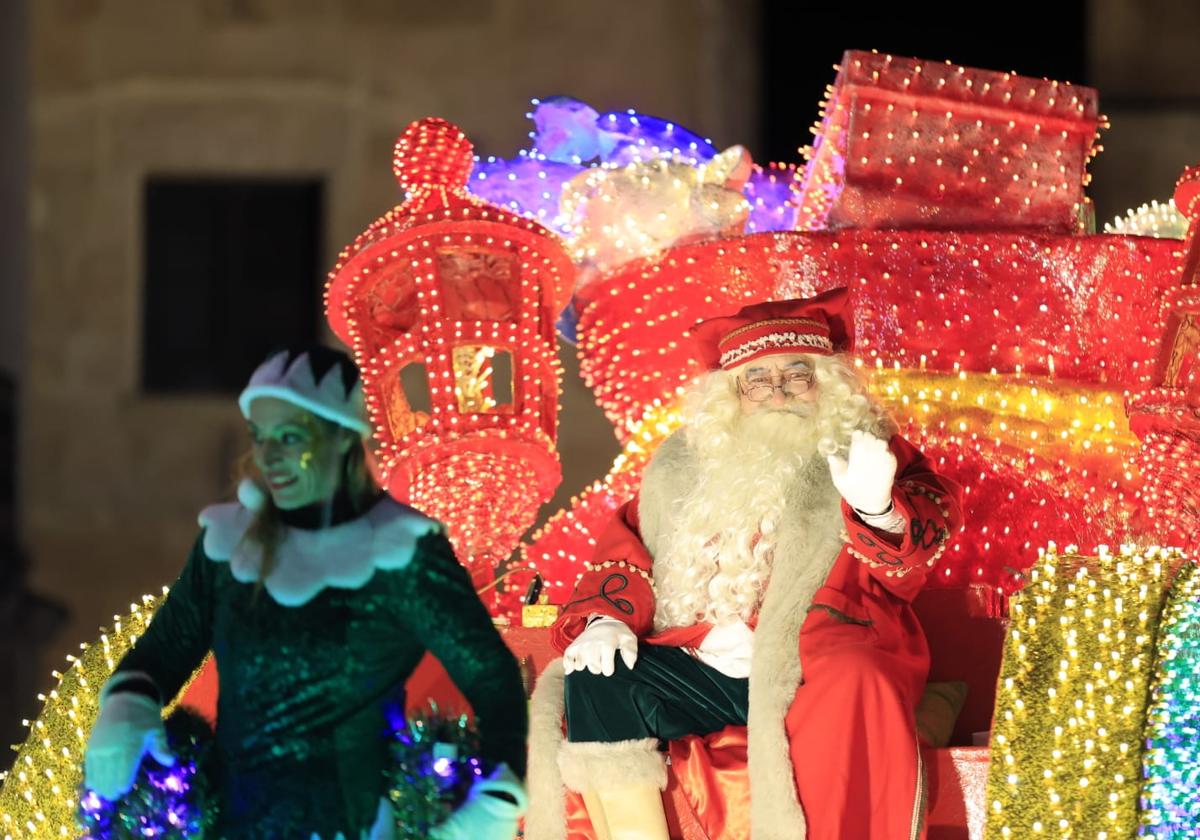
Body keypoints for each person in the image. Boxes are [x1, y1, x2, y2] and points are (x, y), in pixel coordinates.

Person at [527, 288, 963, 840]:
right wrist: (607, 619)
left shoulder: (869, 453)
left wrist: (878, 508)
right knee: (596, 677)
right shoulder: (680, 468)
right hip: (702, 663)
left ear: (825, 384)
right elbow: (626, 546)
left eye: (796, 374)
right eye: (757, 380)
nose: (777, 392)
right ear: (731, 395)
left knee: (860, 677)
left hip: (811, 660)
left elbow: (914, 556)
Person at [83, 346, 528, 839]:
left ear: (342, 437)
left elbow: (490, 674)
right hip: (235, 824)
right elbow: (165, 650)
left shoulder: (402, 553)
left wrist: (500, 792)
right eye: (261, 437)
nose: (268, 457)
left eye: (290, 437)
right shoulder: (229, 547)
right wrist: (127, 704)